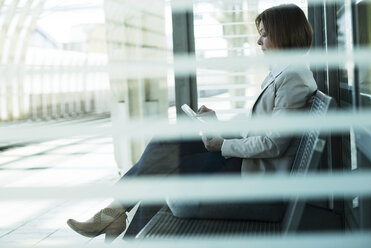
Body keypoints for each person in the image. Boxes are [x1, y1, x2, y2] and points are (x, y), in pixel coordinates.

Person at [67, 4, 317, 242]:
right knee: (167, 141)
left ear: (283, 34)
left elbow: (274, 144)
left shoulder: (293, 78)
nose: (258, 41)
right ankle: (114, 216)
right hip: (248, 161)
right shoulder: (285, 72)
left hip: (255, 174)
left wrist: (223, 145)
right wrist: (216, 125)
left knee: (164, 167)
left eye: (264, 34)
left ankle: (116, 221)